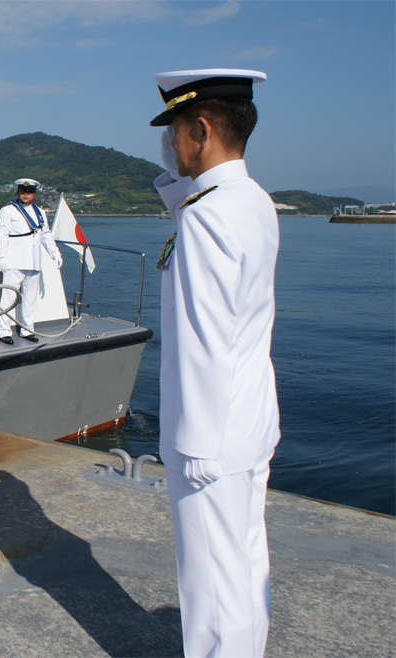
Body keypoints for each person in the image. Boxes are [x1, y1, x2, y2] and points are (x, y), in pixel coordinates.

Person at [150, 68, 280, 657]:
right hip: (249, 421)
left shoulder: (206, 216)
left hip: (211, 438)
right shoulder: (251, 201)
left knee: (210, 591)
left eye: (173, 131)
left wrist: (195, 446)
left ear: (200, 129)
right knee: (245, 574)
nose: (168, 145)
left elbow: (205, 336)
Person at [0, 178, 62, 345]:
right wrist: (1, 258)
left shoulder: (40, 213)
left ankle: (27, 329)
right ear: (18, 192)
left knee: (30, 299)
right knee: (9, 298)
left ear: (34, 194)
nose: (26, 195)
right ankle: (4, 331)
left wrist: (55, 253)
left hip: (33, 262)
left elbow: (45, 235)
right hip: (14, 261)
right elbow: (2, 235)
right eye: (23, 191)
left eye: (29, 192)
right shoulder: (8, 211)